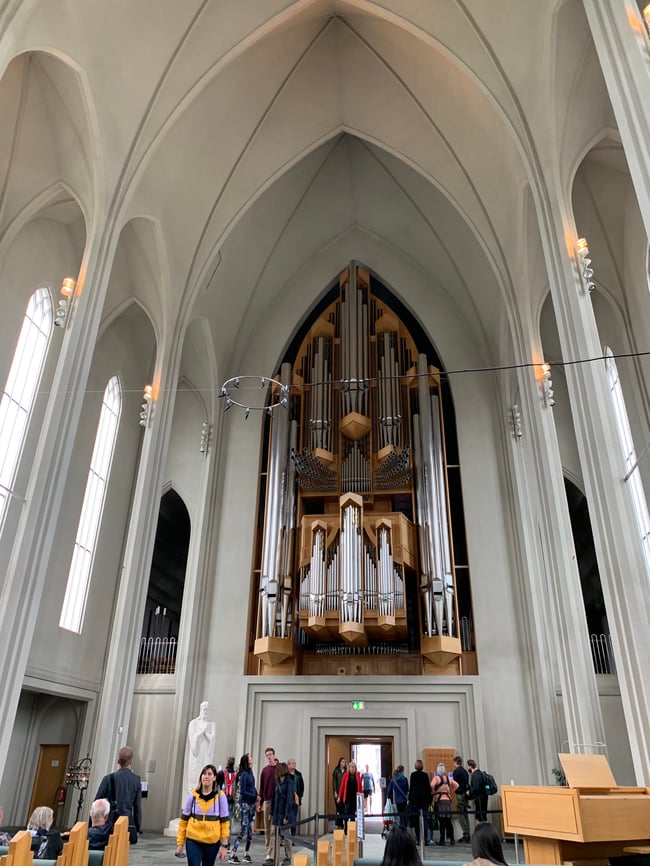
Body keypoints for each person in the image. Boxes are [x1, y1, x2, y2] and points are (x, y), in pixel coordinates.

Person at [176, 764, 229, 866]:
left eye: (209, 774)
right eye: (204, 774)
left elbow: (225, 822)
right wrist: (180, 843)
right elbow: (183, 821)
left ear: (214, 778)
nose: (206, 776)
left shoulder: (220, 796)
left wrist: (224, 845)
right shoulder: (193, 795)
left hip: (212, 842)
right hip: (193, 840)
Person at [94, 746, 142, 844]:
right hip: (126, 821)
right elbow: (137, 806)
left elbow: (97, 803)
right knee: (121, 852)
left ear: (118, 761)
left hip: (109, 821)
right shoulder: (136, 780)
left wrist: (94, 824)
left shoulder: (108, 778)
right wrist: (137, 827)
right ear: (131, 762)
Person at [228, 753, 257, 864]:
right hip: (245, 804)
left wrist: (257, 795)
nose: (252, 758)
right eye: (250, 757)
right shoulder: (244, 774)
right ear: (246, 760)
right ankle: (233, 854)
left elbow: (252, 787)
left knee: (250, 830)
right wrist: (254, 796)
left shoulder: (250, 772)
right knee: (243, 829)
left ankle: (246, 854)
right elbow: (243, 791)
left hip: (252, 804)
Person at [185, 702, 216, 794]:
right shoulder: (194, 723)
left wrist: (206, 734)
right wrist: (200, 733)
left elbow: (212, 738)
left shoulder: (211, 724)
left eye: (207, 710)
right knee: (195, 774)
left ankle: (204, 793)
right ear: (200, 710)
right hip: (197, 752)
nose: (205, 712)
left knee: (205, 770)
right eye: (204, 710)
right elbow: (192, 738)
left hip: (205, 753)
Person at [258, 747, 277, 866]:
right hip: (267, 801)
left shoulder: (279, 769)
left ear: (274, 755)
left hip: (277, 802)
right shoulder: (265, 770)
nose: (269, 756)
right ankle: (268, 852)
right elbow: (262, 787)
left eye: (270, 754)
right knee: (267, 828)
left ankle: (273, 852)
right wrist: (260, 804)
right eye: (267, 755)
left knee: (274, 829)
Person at [272, 762, 293, 866]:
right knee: (275, 835)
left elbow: (289, 800)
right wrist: (271, 813)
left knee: (287, 836)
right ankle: (274, 856)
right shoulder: (277, 781)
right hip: (276, 812)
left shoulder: (289, 782)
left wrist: (286, 816)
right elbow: (274, 797)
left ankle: (288, 857)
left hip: (284, 812)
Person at [431, 763, 458, 846]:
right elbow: (457, 785)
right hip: (448, 800)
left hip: (440, 800)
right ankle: (452, 839)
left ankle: (442, 839)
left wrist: (434, 792)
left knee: (441, 821)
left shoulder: (436, 778)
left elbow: (431, 785)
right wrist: (450, 792)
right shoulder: (448, 778)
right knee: (448, 821)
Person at [408, 759, 432, 845]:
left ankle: (418, 839)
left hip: (415, 800)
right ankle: (424, 839)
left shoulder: (413, 775)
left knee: (416, 820)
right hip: (424, 800)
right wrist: (430, 800)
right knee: (424, 820)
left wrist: (410, 799)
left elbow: (411, 788)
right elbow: (428, 788)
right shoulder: (425, 775)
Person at [337, 760, 361, 833]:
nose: (352, 768)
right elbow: (342, 787)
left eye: (354, 767)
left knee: (353, 814)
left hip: (354, 798)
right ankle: (346, 829)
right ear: (349, 768)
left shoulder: (357, 776)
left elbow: (360, 787)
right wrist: (339, 797)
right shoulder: (345, 775)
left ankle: (352, 830)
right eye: (351, 767)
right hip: (347, 798)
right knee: (346, 813)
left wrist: (361, 797)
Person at [451, 756, 471, 842]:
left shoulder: (457, 771)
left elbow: (453, 782)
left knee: (461, 814)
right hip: (465, 794)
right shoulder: (465, 772)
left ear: (455, 762)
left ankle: (466, 833)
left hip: (459, 794)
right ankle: (468, 832)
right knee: (465, 814)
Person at [287, 758, 304, 840]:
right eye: (292, 763)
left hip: (296, 800)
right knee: (287, 818)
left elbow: (302, 787)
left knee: (293, 818)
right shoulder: (286, 774)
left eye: (295, 763)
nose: (294, 764)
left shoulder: (298, 775)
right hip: (287, 800)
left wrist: (299, 796)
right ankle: (284, 836)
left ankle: (292, 837)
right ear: (288, 765)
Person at [332, 757, 347, 829]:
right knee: (338, 809)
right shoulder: (336, 771)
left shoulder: (346, 771)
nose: (344, 763)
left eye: (344, 761)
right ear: (340, 762)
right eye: (342, 761)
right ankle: (339, 824)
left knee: (344, 809)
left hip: (344, 793)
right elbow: (334, 782)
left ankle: (344, 824)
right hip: (338, 792)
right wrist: (335, 791)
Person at [223, 757, 238, 822]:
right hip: (232, 796)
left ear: (227, 763)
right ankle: (229, 829)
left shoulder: (223, 773)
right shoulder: (235, 774)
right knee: (230, 812)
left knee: (224, 813)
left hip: (224, 796)